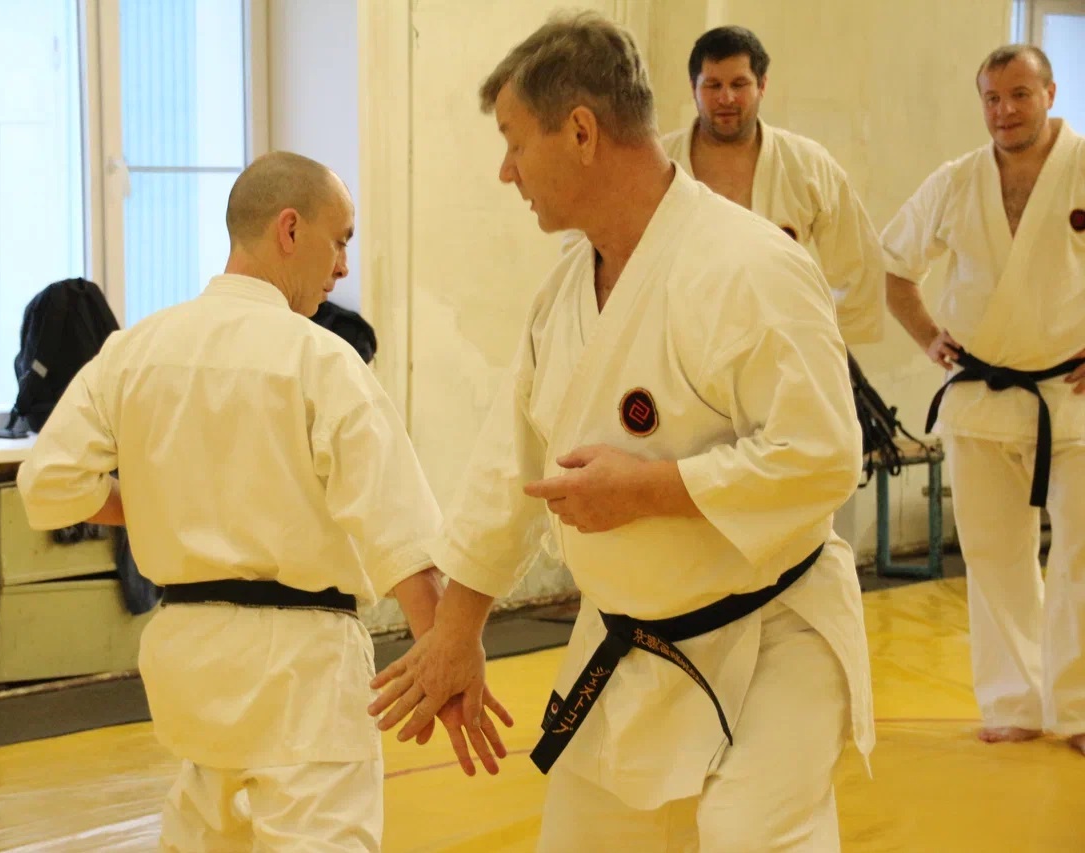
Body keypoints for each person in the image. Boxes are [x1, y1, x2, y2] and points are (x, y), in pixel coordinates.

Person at [370, 13, 873, 850]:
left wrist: (650, 489)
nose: (505, 170)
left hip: (772, 637)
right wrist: (457, 628)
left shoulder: (750, 267)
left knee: (753, 835)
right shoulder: (566, 290)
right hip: (630, 641)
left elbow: (823, 458)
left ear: (581, 132)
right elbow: (510, 465)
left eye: (514, 142)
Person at [17, 151, 510, 852]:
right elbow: (396, 528)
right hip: (302, 670)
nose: (342, 267)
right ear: (290, 229)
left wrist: (156, 506)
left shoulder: (134, 352)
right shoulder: (320, 359)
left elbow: (49, 485)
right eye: (339, 240)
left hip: (187, 659)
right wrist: (445, 658)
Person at [881, 44, 1085, 755]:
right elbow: (894, 267)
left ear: (1050, 94)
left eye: (1020, 95)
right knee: (995, 557)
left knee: (1080, 558)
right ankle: (1014, 700)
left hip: (1070, 397)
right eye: (992, 98)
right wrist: (928, 336)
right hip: (982, 395)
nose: (1005, 111)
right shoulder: (956, 181)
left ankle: (1079, 708)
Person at [659, 25, 883, 345]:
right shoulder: (658, 164)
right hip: (678, 341)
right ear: (693, 87)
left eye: (739, 84)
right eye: (713, 85)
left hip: (778, 347)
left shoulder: (806, 164)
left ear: (762, 85)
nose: (726, 98)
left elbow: (859, 268)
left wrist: (820, 341)